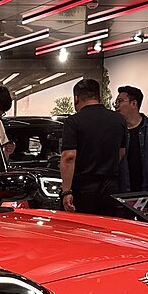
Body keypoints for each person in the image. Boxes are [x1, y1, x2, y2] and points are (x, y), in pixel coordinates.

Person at [59, 78, 127, 215]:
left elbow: (69, 157)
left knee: (82, 229)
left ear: (76, 98)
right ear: (99, 96)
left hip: (84, 188)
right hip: (111, 187)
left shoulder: (74, 121)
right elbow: (121, 152)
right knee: (107, 229)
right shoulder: (118, 120)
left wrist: (66, 191)